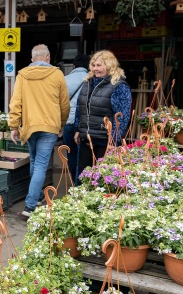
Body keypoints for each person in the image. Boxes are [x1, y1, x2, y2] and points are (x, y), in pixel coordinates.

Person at [9, 44, 70, 217]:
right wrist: (62, 124)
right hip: (50, 126)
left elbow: (15, 102)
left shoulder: (22, 75)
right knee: (41, 165)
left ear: (32, 59)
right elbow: (64, 104)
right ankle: (30, 206)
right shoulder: (57, 74)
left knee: (35, 162)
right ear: (48, 57)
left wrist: (14, 125)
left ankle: (34, 199)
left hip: (29, 126)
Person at [74, 50, 132, 178]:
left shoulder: (118, 86)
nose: (95, 69)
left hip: (105, 141)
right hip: (87, 139)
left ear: (109, 66)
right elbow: (80, 107)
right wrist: (78, 129)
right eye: (93, 65)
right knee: (83, 177)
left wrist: (114, 139)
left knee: (102, 179)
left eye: (99, 65)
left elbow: (122, 117)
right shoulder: (87, 83)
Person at [63, 54, 90, 185]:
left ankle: (73, 183)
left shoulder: (65, 79)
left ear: (74, 65)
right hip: (83, 123)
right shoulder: (91, 80)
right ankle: (80, 184)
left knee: (71, 154)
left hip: (68, 122)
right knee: (83, 156)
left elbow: (59, 102)